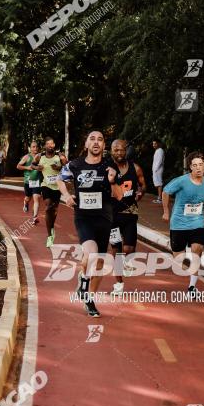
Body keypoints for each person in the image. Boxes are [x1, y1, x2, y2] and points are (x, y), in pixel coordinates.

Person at [56, 131, 122, 317]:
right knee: (91, 252)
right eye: (92, 139)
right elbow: (60, 179)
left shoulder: (110, 166)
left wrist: (113, 180)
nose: (96, 142)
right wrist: (66, 195)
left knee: (99, 261)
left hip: (104, 219)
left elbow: (118, 195)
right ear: (86, 144)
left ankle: (90, 299)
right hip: (83, 217)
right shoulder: (75, 165)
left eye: (100, 139)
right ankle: (84, 282)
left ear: (103, 145)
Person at [162, 151, 204, 297]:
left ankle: (192, 287)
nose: (198, 168)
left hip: (197, 223)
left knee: (197, 251)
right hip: (178, 224)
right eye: (195, 165)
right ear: (190, 167)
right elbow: (165, 192)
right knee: (179, 259)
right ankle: (175, 245)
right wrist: (166, 211)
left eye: (200, 165)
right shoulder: (181, 181)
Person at [109, 139, 146, 294]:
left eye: (121, 150)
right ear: (111, 151)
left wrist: (140, 192)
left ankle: (124, 262)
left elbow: (143, 185)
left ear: (126, 150)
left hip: (130, 213)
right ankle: (119, 285)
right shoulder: (106, 169)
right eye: (115, 150)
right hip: (111, 216)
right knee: (116, 250)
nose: (119, 153)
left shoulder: (135, 168)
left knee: (129, 248)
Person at [32, 137, 67, 247]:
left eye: (52, 144)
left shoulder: (59, 155)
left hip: (57, 186)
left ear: (54, 145)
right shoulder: (40, 156)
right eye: (48, 144)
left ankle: (51, 228)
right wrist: (37, 168)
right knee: (48, 207)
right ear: (45, 146)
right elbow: (32, 165)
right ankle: (49, 236)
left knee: (54, 210)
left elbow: (66, 164)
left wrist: (58, 167)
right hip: (46, 185)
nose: (50, 146)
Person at [17, 141, 41, 223]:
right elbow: (18, 166)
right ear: (30, 148)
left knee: (36, 198)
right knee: (28, 198)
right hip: (28, 182)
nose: (35, 148)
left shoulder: (41, 157)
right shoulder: (27, 157)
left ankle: (34, 217)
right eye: (33, 147)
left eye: (37, 146)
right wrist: (27, 168)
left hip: (38, 181)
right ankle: (26, 203)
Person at [152, 138, 165, 203]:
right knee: (157, 183)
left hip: (158, 170)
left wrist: (156, 169)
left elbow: (159, 161)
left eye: (155, 144)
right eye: (153, 144)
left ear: (158, 144)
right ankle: (159, 198)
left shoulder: (160, 150)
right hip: (156, 170)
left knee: (159, 183)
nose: (153, 145)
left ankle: (160, 199)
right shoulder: (157, 150)